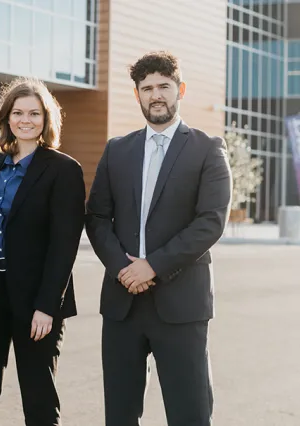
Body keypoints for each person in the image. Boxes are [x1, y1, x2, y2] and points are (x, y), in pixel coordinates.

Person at [85, 51, 232, 426]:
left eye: (163, 86)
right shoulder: (117, 149)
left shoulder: (208, 148)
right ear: (137, 94)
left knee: (190, 415)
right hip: (122, 304)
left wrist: (153, 266)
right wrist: (124, 268)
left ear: (179, 89)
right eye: (147, 87)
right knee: (119, 415)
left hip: (181, 306)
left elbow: (210, 222)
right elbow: (98, 217)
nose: (156, 95)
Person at [0, 77, 85, 426]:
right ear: (6, 118)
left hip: (36, 297)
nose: (25, 120)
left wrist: (46, 306)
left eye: (34, 113)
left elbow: (64, 245)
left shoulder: (64, 170)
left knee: (39, 399)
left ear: (46, 119)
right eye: (18, 112)